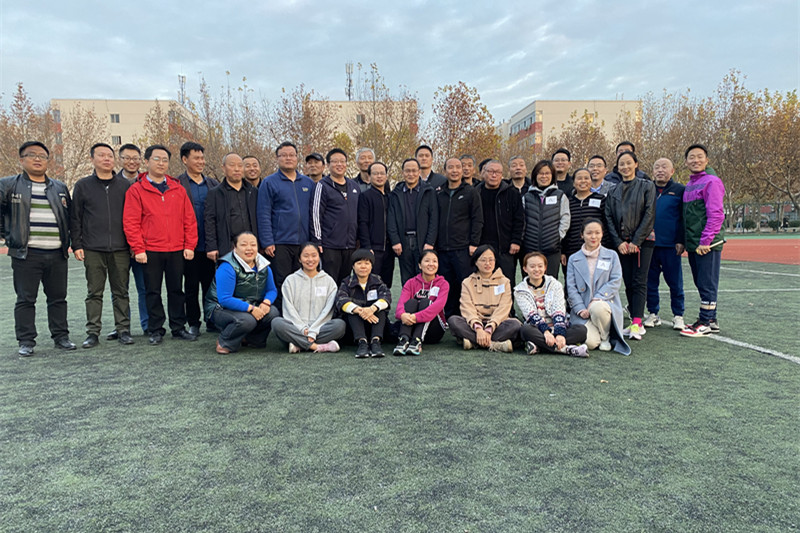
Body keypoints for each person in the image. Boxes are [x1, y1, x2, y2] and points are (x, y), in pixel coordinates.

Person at [0, 141, 75, 356]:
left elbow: (69, 217)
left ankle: (61, 337)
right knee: (26, 299)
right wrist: (8, 236)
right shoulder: (8, 185)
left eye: (42, 156)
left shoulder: (59, 188)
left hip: (57, 253)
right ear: (21, 160)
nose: (37, 159)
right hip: (27, 254)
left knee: (58, 298)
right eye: (31, 155)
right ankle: (26, 341)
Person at [123, 144, 198, 345]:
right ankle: (155, 329)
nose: (161, 163)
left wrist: (189, 245)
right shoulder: (136, 190)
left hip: (176, 249)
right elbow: (131, 222)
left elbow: (189, 219)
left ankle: (178, 327)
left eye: (165, 160)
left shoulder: (178, 189)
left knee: (176, 290)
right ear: (147, 162)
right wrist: (138, 248)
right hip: (150, 250)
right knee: (152, 291)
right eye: (156, 159)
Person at [70, 143, 133, 348]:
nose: (107, 159)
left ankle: (123, 330)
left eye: (110, 155)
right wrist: (77, 244)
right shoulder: (83, 185)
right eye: (101, 155)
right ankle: (93, 333)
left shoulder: (125, 186)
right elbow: (75, 217)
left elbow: (132, 217)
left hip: (121, 248)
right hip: (92, 248)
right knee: (94, 293)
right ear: (92, 159)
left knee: (121, 291)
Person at [603, 151, 656, 340]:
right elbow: (609, 217)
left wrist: (636, 241)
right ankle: (634, 319)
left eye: (628, 163)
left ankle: (637, 322)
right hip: (622, 245)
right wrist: (619, 242)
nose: (625, 167)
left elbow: (649, 214)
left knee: (639, 281)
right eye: (621, 164)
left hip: (643, 243)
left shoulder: (647, 186)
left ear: (636, 164)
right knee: (627, 281)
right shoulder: (613, 191)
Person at [257, 141, 316, 295]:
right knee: (282, 281)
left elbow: (314, 213)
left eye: (292, 155)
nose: (288, 158)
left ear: (297, 158)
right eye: (283, 155)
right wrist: (267, 241)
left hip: (304, 243)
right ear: (277, 158)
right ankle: (281, 310)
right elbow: (263, 213)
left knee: (303, 281)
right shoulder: (269, 183)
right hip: (280, 243)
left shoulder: (308, 183)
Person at [204, 231, 278, 353]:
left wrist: (266, 302)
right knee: (246, 320)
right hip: (220, 308)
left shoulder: (264, 265)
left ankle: (251, 339)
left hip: (250, 305)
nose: (249, 248)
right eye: (244, 245)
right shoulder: (227, 266)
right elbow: (224, 299)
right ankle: (224, 342)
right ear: (235, 247)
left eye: (253, 245)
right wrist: (251, 309)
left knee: (272, 312)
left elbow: (272, 290)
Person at [566, 219, 631, 355]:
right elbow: (571, 287)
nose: (593, 236)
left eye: (597, 233)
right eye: (589, 233)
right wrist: (580, 309)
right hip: (583, 310)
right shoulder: (573, 258)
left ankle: (605, 337)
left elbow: (615, 281)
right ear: (582, 235)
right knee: (590, 343)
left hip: (605, 305)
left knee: (598, 307)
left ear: (602, 234)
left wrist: (597, 299)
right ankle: (599, 335)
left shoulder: (612, 255)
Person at [680, 144, 725, 337]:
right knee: (700, 281)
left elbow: (716, 214)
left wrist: (706, 240)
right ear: (686, 162)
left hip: (706, 244)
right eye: (691, 157)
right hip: (694, 243)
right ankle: (711, 319)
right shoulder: (690, 184)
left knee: (707, 282)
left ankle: (705, 321)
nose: (695, 160)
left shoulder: (712, 182)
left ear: (707, 160)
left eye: (699, 156)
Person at [271, 243, 345, 353]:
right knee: (277, 323)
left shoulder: (329, 281)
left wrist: (314, 330)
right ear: (299, 259)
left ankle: (299, 344)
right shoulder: (290, 281)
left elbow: (328, 310)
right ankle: (316, 347)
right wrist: (302, 328)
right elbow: (288, 309)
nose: (310, 259)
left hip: (320, 329)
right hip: (296, 328)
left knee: (340, 325)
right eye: (306, 256)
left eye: (314, 255)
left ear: (319, 257)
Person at [177, 142, 218, 336]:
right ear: (185, 160)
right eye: (196, 158)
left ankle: (212, 320)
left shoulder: (213, 184)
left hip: (210, 245)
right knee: (191, 286)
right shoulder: (177, 184)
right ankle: (193, 322)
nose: (201, 162)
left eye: (202, 158)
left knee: (211, 286)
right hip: (188, 246)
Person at [447, 245, 520, 352]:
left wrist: (490, 328)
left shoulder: (504, 282)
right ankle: (494, 344)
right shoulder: (467, 282)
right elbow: (467, 307)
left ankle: (474, 342)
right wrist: (478, 329)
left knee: (515, 324)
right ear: (476, 262)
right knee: (453, 321)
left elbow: (504, 307)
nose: (488, 263)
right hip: (474, 325)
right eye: (483, 260)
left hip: (497, 324)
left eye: (491, 260)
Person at [516, 252, 588, 357]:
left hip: (556, 326)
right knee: (525, 330)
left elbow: (558, 310)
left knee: (581, 330)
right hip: (537, 329)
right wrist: (546, 332)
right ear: (525, 269)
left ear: (545, 268)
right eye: (532, 266)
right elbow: (531, 315)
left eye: (540, 266)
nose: (536, 269)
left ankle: (539, 346)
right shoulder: (519, 290)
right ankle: (567, 349)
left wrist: (560, 334)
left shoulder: (555, 285)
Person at [436, 157, 483, 317]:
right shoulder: (439, 193)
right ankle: (449, 317)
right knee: (446, 285)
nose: (454, 170)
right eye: (450, 167)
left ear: (462, 170)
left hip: (463, 248)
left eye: (458, 167)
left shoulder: (471, 192)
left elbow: (477, 219)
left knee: (465, 284)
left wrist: (474, 243)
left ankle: (468, 316)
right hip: (443, 249)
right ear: (445, 170)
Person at [110, 143, 147, 339]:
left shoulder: (147, 182)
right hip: (119, 246)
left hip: (144, 247)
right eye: (127, 158)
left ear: (141, 160)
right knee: (119, 289)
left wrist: (139, 244)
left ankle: (148, 325)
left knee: (145, 288)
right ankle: (122, 327)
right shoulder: (111, 183)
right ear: (120, 160)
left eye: (135, 158)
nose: (131, 162)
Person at [644, 158, 686, 331]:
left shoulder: (680, 190)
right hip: (649, 245)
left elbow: (683, 217)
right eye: (657, 167)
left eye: (664, 167)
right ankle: (653, 313)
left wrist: (681, 240)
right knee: (650, 282)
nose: (660, 170)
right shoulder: (647, 188)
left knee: (675, 283)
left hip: (670, 246)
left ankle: (678, 315)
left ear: (672, 171)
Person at [311, 148, 360, 283]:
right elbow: (316, 215)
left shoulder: (354, 186)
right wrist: (317, 241)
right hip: (330, 245)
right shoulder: (322, 186)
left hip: (350, 245)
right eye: (335, 161)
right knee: (329, 283)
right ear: (328, 165)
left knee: (345, 283)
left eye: (342, 161)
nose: (339, 164)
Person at [387, 158, 438, 284]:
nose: (411, 174)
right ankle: (409, 298)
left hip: (422, 241)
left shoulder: (428, 192)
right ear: (403, 173)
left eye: (414, 171)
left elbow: (434, 218)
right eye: (407, 171)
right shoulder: (396, 193)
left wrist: (430, 242)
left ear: (419, 172)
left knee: (424, 278)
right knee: (407, 280)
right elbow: (391, 219)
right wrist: (395, 240)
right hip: (403, 242)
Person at [336, 249, 392, 358]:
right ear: (353, 266)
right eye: (359, 263)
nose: (363, 266)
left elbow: (386, 297)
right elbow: (341, 300)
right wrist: (360, 310)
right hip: (353, 328)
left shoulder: (378, 281)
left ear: (371, 266)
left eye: (367, 263)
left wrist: (372, 309)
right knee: (352, 311)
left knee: (380, 310)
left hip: (374, 324)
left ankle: (376, 342)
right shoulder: (347, 282)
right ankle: (362, 342)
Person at [393, 249, 449, 356]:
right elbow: (400, 305)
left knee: (426, 302)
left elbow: (437, 307)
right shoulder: (411, 283)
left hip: (434, 331)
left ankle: (417, 341)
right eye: (427, 261)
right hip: (411, 325)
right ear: (419, 265)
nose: (431, 264)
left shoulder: (443, 284)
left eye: (434, 261)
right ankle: (404, 339)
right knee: (411, 302)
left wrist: (415, 317)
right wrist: (402, 315)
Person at [475, 159, 524, 283]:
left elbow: (519, 219)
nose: (494, 175)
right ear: (484, 173)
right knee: (483, 282)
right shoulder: (476, 192)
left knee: (506, 282)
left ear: (502, 174)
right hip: (482, 246)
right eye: (490, 171)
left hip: (505, 247)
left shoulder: (512, 193)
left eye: (497, 172)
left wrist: (516, 241)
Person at [521, 160, 570, 279]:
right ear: (535, 175)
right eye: (540, 173)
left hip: (552, 249)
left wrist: (558, 236)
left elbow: (565, 217)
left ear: (552, 175)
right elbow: (522, 220)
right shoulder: (527, 197)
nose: (544, 176)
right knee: (530, 281)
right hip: (530, 248)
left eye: (547, 173)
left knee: (550, 282)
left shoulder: (560, 195)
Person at [204, 153, 258, 259]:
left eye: (240, 165)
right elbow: (209, 221)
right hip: (227, 246)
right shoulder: (215, 193)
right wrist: (211, 247)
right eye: (232, 165)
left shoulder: (253, 192)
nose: (237, 169)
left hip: (251, 246)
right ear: (223, 168)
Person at [561, 168, 605, 277]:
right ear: (573, 182)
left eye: (586, 178)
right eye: (579, 178)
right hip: (571, 250)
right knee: (571, 281)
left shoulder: (601, 200)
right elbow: (563, 226)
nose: (583, 181)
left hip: (596, 250)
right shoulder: (567, 201)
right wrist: (562, 251)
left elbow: (606, 224)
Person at [357, 161, 395, 286]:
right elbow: (363, 223)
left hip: (389, 249)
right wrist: (367, 246)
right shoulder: (365, 196)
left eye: (382, 173)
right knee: (372, 283)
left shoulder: (390, 197)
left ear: (386, 176)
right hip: (374, 249)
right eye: (375, 173)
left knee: (386, 284)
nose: (379, 176)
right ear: (369, 176)